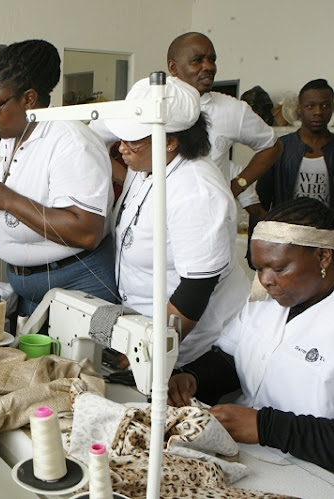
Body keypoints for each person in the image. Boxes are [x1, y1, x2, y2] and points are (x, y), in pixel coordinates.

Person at [168, 197, 334, 472]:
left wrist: (265, 427)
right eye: (258, 268)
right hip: (245, 452)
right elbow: (230, 358)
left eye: (279, 268)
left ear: (322, 256)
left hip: (312, 470)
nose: (266, 280)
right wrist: (193, 377)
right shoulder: (264, 303)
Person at [0, 39, 117, 316]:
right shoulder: (12, 136)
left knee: (79, 361)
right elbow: (18, 208)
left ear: (29, 99)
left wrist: (8, 200)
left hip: (79, 286)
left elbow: (86, 232)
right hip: (32, 288)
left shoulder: (71, 142)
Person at [106, 76, 249, 366]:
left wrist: (150, 350)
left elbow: (195, 291)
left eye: (132, 141)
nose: (121, 148)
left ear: (170, 141)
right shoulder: (147, 165)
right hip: (144, 325)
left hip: (192, 345)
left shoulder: (197, 193)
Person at [167, 32, 282, 236]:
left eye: (212, 59)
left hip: (210, 225)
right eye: (197, 60)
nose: (208, 66)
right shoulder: (152, 103)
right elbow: (97, 134)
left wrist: (238, 185)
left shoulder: (233, 110)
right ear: (173, 68)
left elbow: (272, 146)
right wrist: (129, 183)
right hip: (160, 221)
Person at [258, 79, 334, 210]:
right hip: (287, 228)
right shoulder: (279, 148)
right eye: (310, 106)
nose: (318, 112)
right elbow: (262, 198)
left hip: (329, 229)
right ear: (300, 108)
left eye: (325, 106)